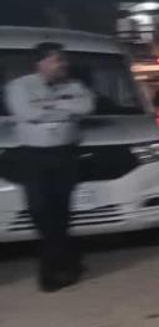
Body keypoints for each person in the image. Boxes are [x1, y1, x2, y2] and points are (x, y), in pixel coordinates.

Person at [4, 42, 94, 292]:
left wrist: (48, 105)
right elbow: (26, 114)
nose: (62, 65)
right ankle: (64, 262)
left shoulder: (74, 85)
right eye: (57, 60)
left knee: (61, 212)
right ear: (41, 63)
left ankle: (55, 272)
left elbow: (86, 107)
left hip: (65, 155)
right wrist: (64, 107)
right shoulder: (19, 86)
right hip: (33, 157)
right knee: (41, 211)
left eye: (63, 60)